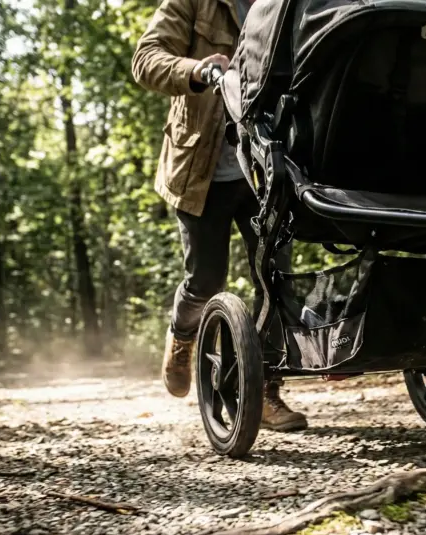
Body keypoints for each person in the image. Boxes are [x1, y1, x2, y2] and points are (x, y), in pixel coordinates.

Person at [132, 0, 308, 431]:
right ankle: (183, 335)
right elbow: (146, 59)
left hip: (266, 166)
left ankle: (264, 393)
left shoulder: (289, 5)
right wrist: (195, 70)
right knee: (206, 278)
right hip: (200, 169)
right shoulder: (194, 2)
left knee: (274, 277)